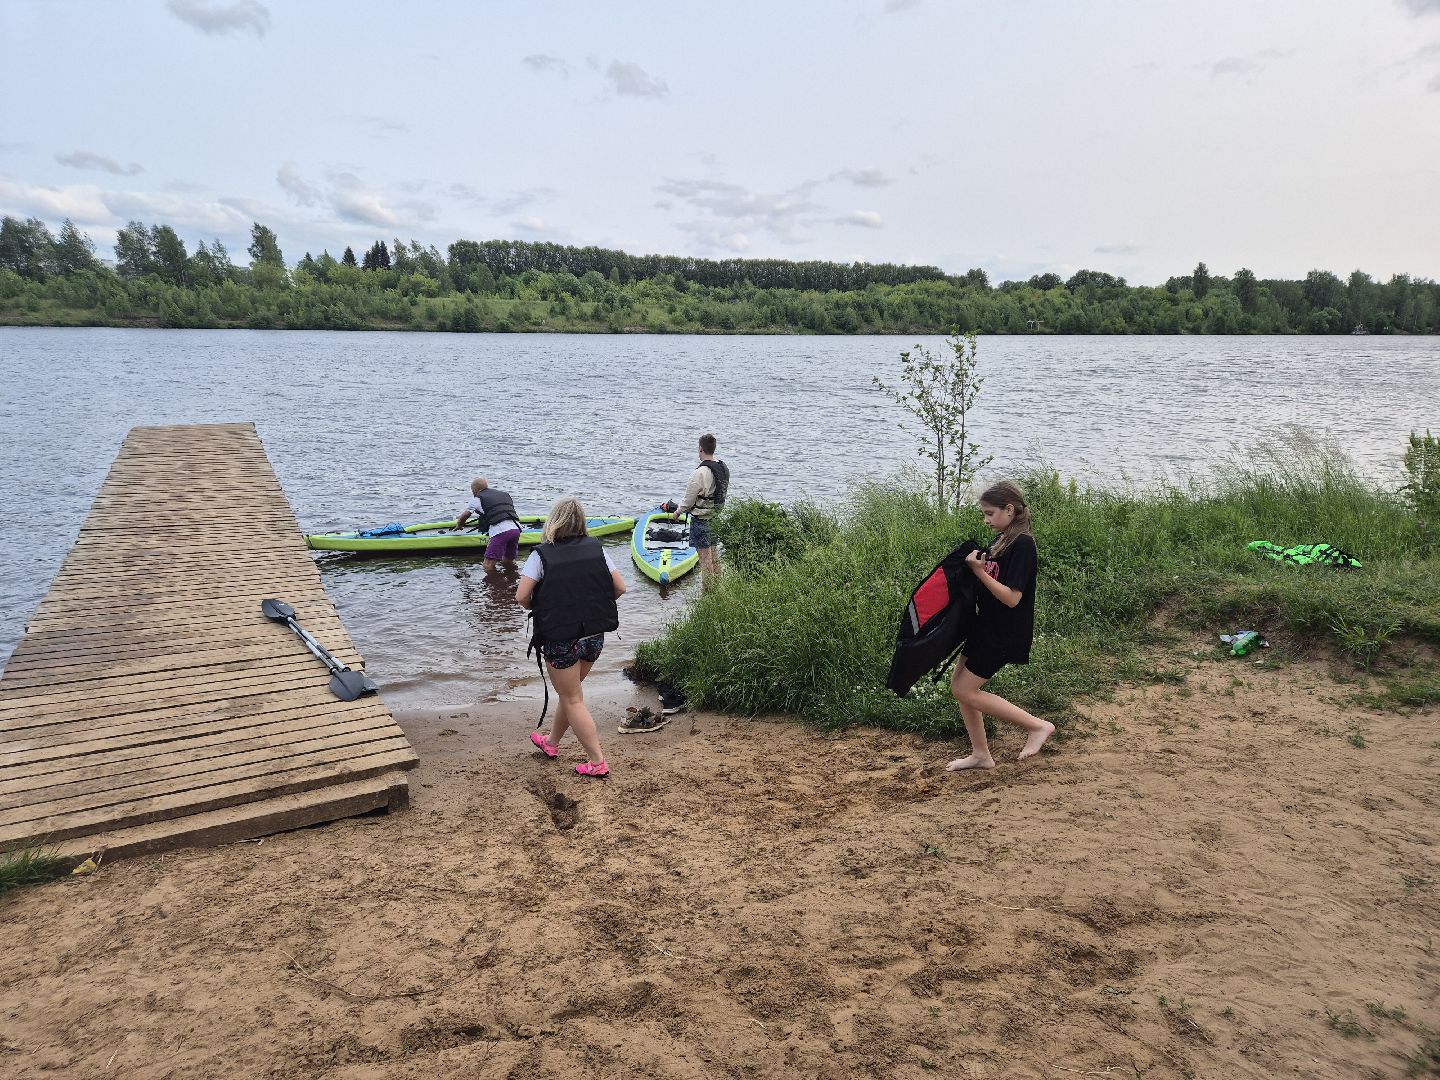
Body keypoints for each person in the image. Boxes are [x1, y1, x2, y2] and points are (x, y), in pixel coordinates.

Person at [945, 481, 1055, 771]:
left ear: (1009, 509)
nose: (986, 520)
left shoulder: (1023, 545)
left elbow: (1012, 598)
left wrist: (979, 573)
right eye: (984, 514)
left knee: (965, 690)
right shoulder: (1002, 540)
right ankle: (981, 754)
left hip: (1005, 631)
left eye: (990, 513)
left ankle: (1037, 726)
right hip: (984, 626)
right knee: (959, 687)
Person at [516, 496, 627, 778]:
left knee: (572, 698)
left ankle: (597, 762)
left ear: (553, 521)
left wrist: (539, 608)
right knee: (571, 694)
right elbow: (620, 587)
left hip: (560, 638)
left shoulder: (541, 555)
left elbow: (522, 596)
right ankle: (551, 742)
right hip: (594, 636)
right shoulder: (597, 549)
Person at [675, 432, 729, 590]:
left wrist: (677, 512)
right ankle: (717, 589)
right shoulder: (723, 468)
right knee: (714, 556)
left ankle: (707, 593)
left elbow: (688, 501)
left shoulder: (699, 473)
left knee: (705, 561)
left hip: (701, 521)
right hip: (715, 518)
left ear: (700, 449)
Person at [453, 476, 522, 574]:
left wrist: (459, 525)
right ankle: (513, 580)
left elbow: (465, 515)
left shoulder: (478, 498)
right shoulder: (504, 494)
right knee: (508, 561)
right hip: (516, 529)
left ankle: (494, 583)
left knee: (487, 565)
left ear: (474, 490)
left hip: (501, 531)